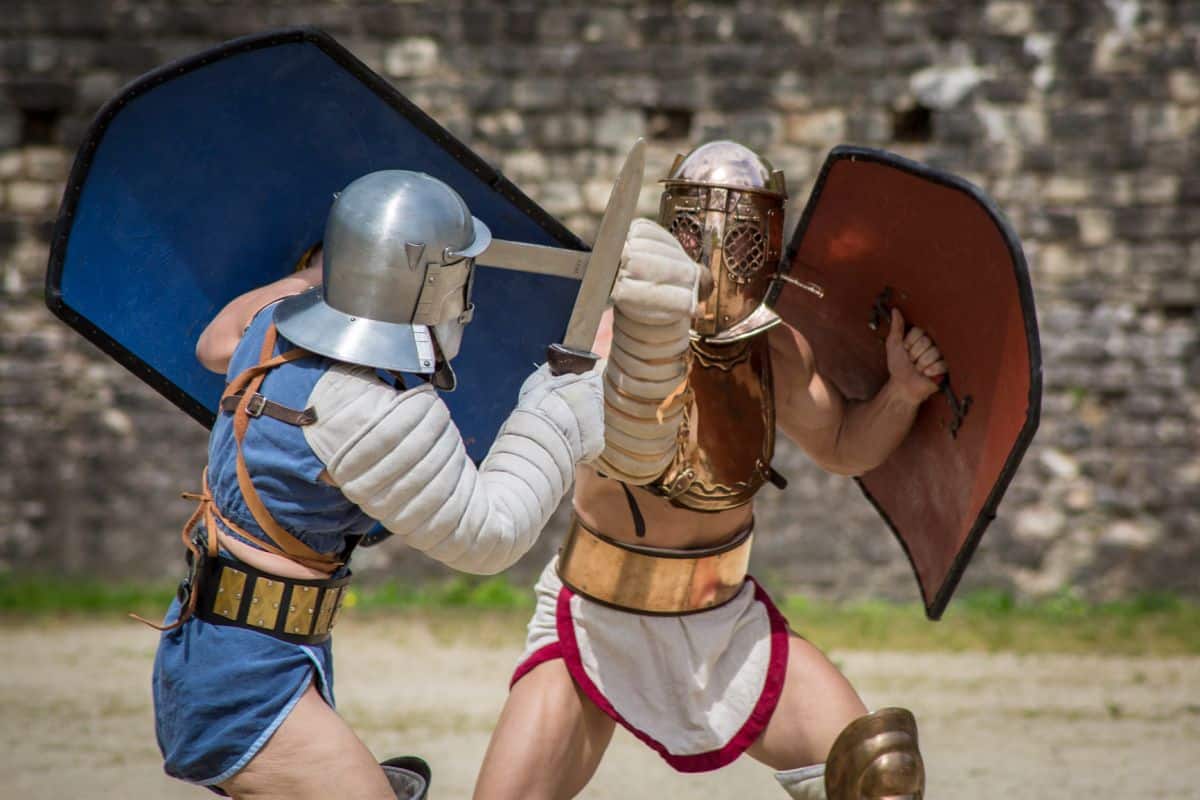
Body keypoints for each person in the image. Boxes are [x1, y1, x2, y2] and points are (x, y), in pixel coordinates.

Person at [472, 141, 944, 800]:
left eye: (744, 237)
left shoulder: (776, 351)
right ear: (675, 230)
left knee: (880, 778)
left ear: (770, 243)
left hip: (725, 625)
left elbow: (841, 444)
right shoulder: (609, 339)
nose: (719, 253)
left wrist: (902, 393)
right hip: (595, 623)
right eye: (699, 232)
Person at [148, 170, 605, 799]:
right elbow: (489, 535)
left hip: (227, 648)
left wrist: (326, 278)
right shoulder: (366, 406)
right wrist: (556, 410)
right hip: (243, 683)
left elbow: (213, 343)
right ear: (436, 284)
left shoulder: (269, 325)